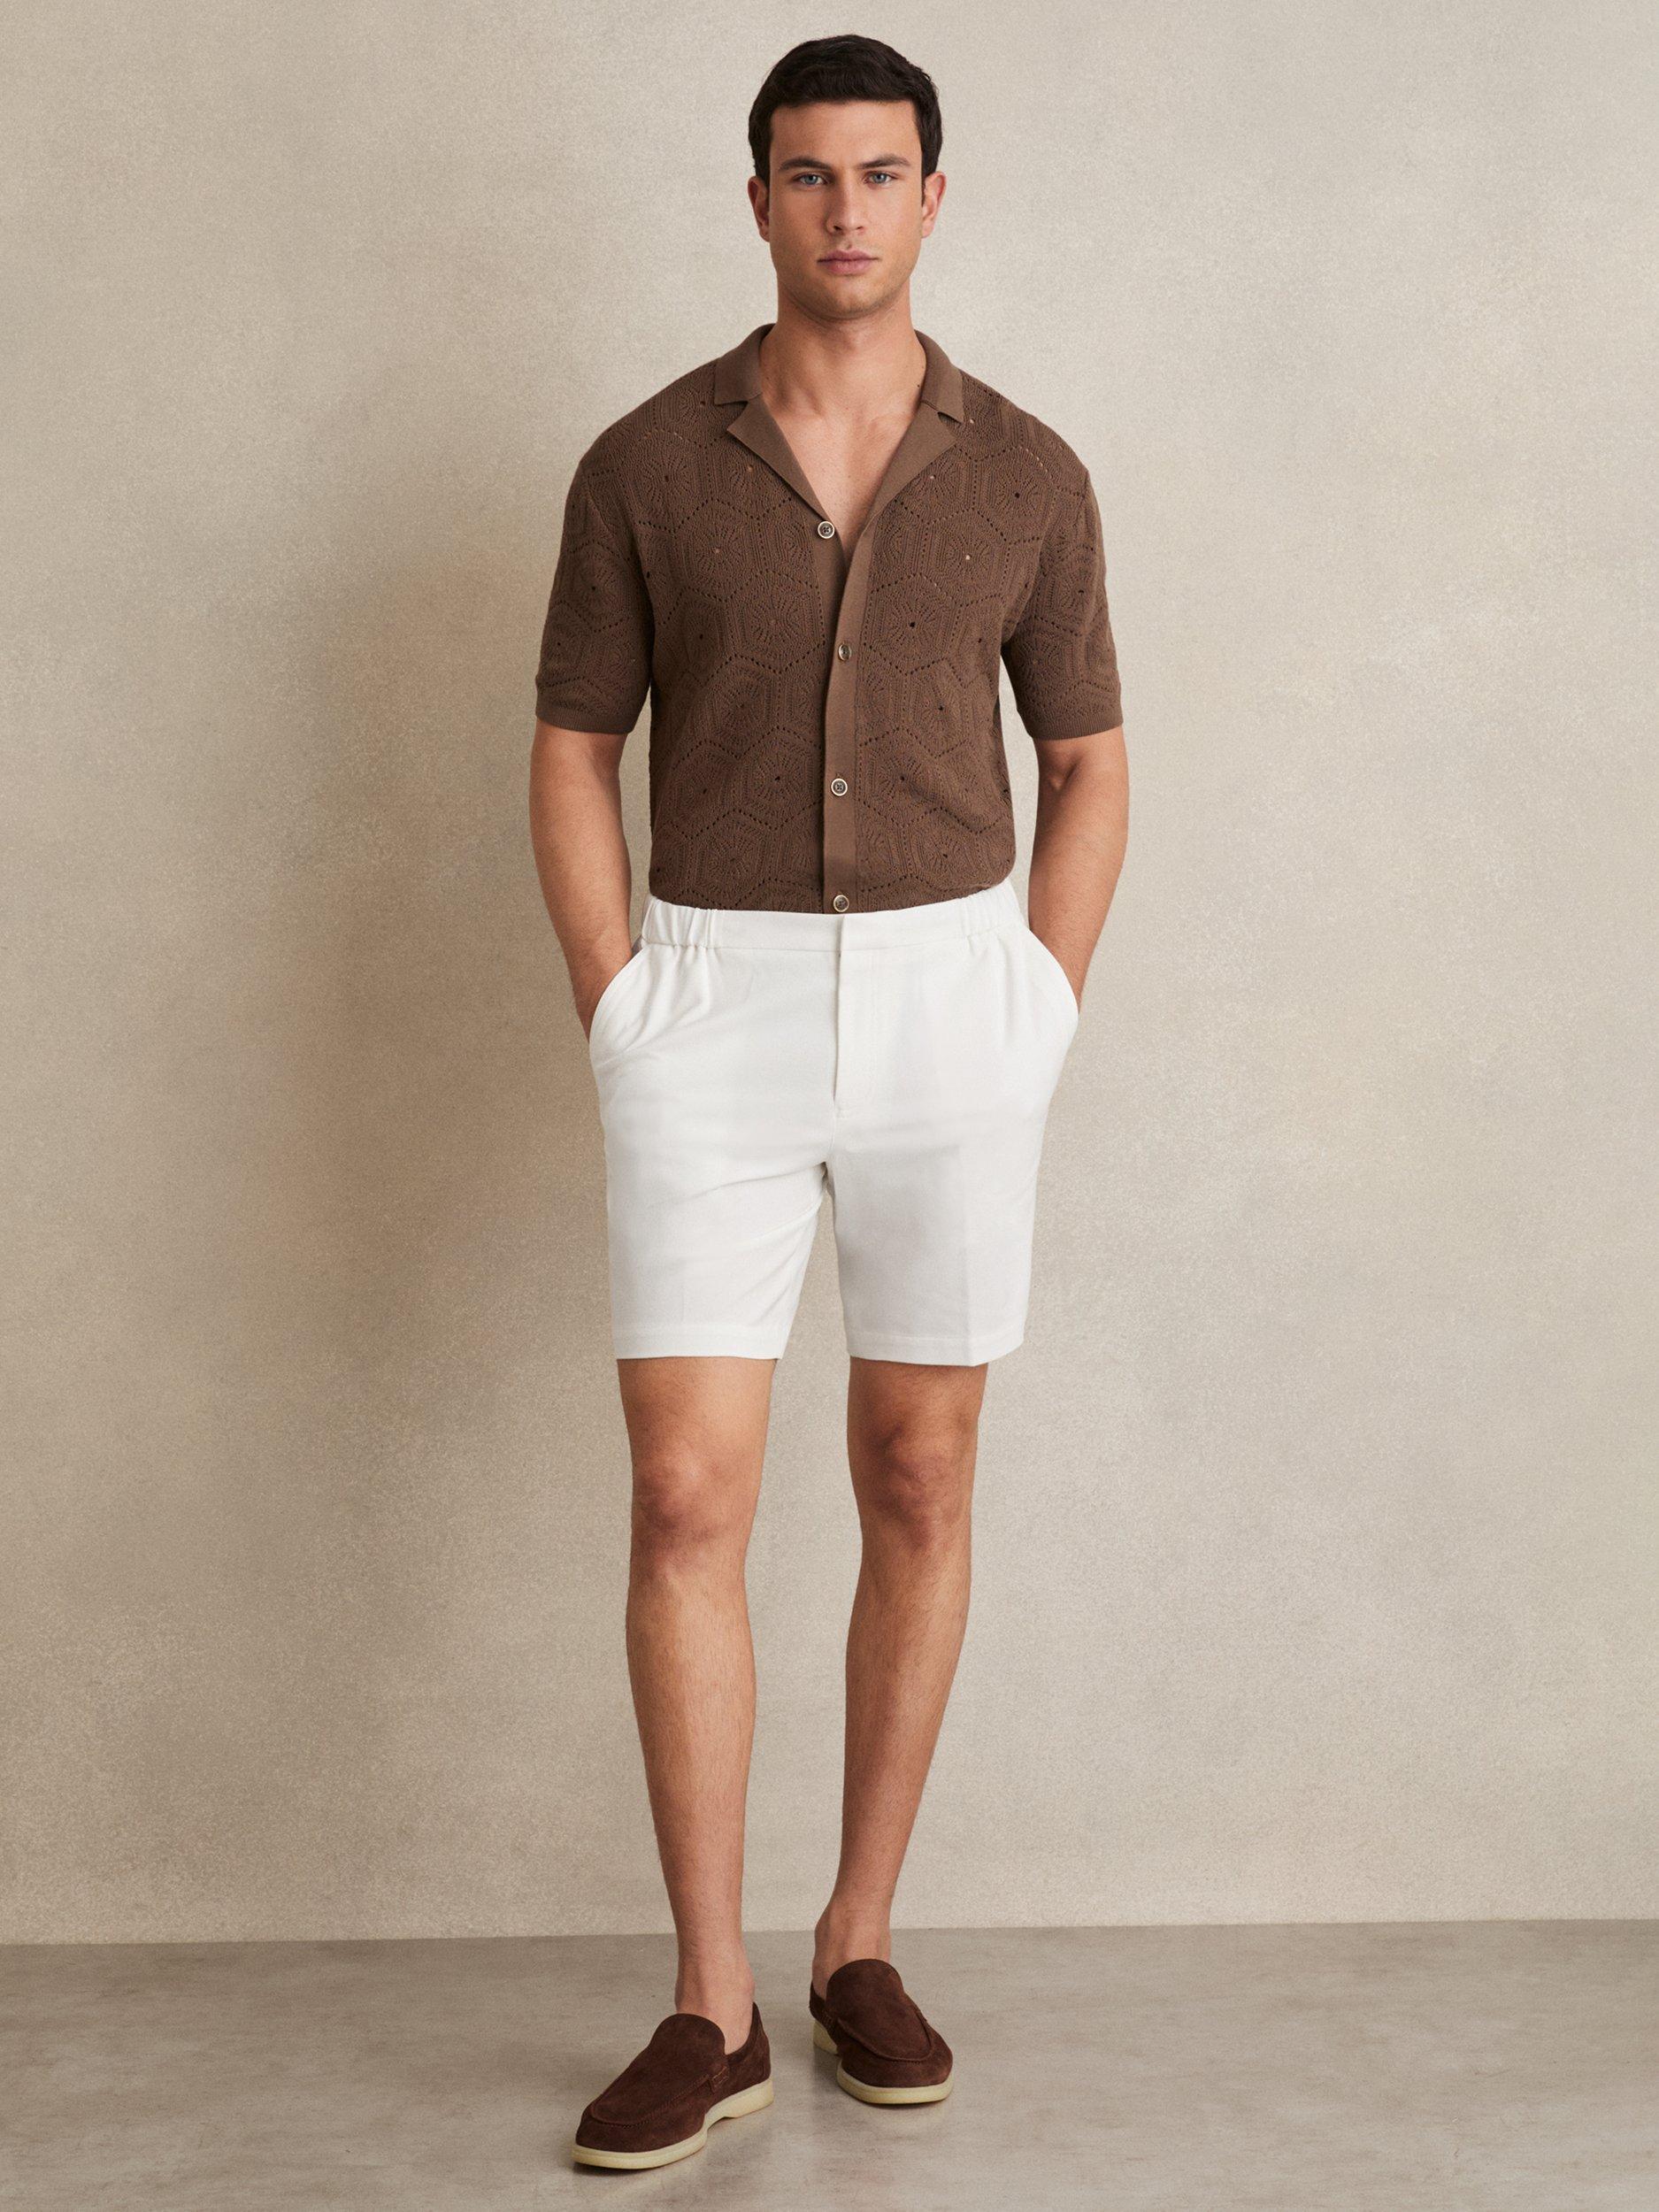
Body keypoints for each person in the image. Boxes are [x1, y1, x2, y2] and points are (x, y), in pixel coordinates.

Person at [528, 32, 1128, 2173]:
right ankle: (709, 1999)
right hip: (713, 996)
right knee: (683, 1491)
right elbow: (572, 743)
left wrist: (1035, 999)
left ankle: (856, 1936)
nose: (844, 209)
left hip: (958, 998)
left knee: (918, 1468)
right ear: (758, 199)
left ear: (931, 197)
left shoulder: (1030, 473)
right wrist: (621, 1001)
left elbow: (1085, 758)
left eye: (880, 173)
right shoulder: (642, 464)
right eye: (807, 174)